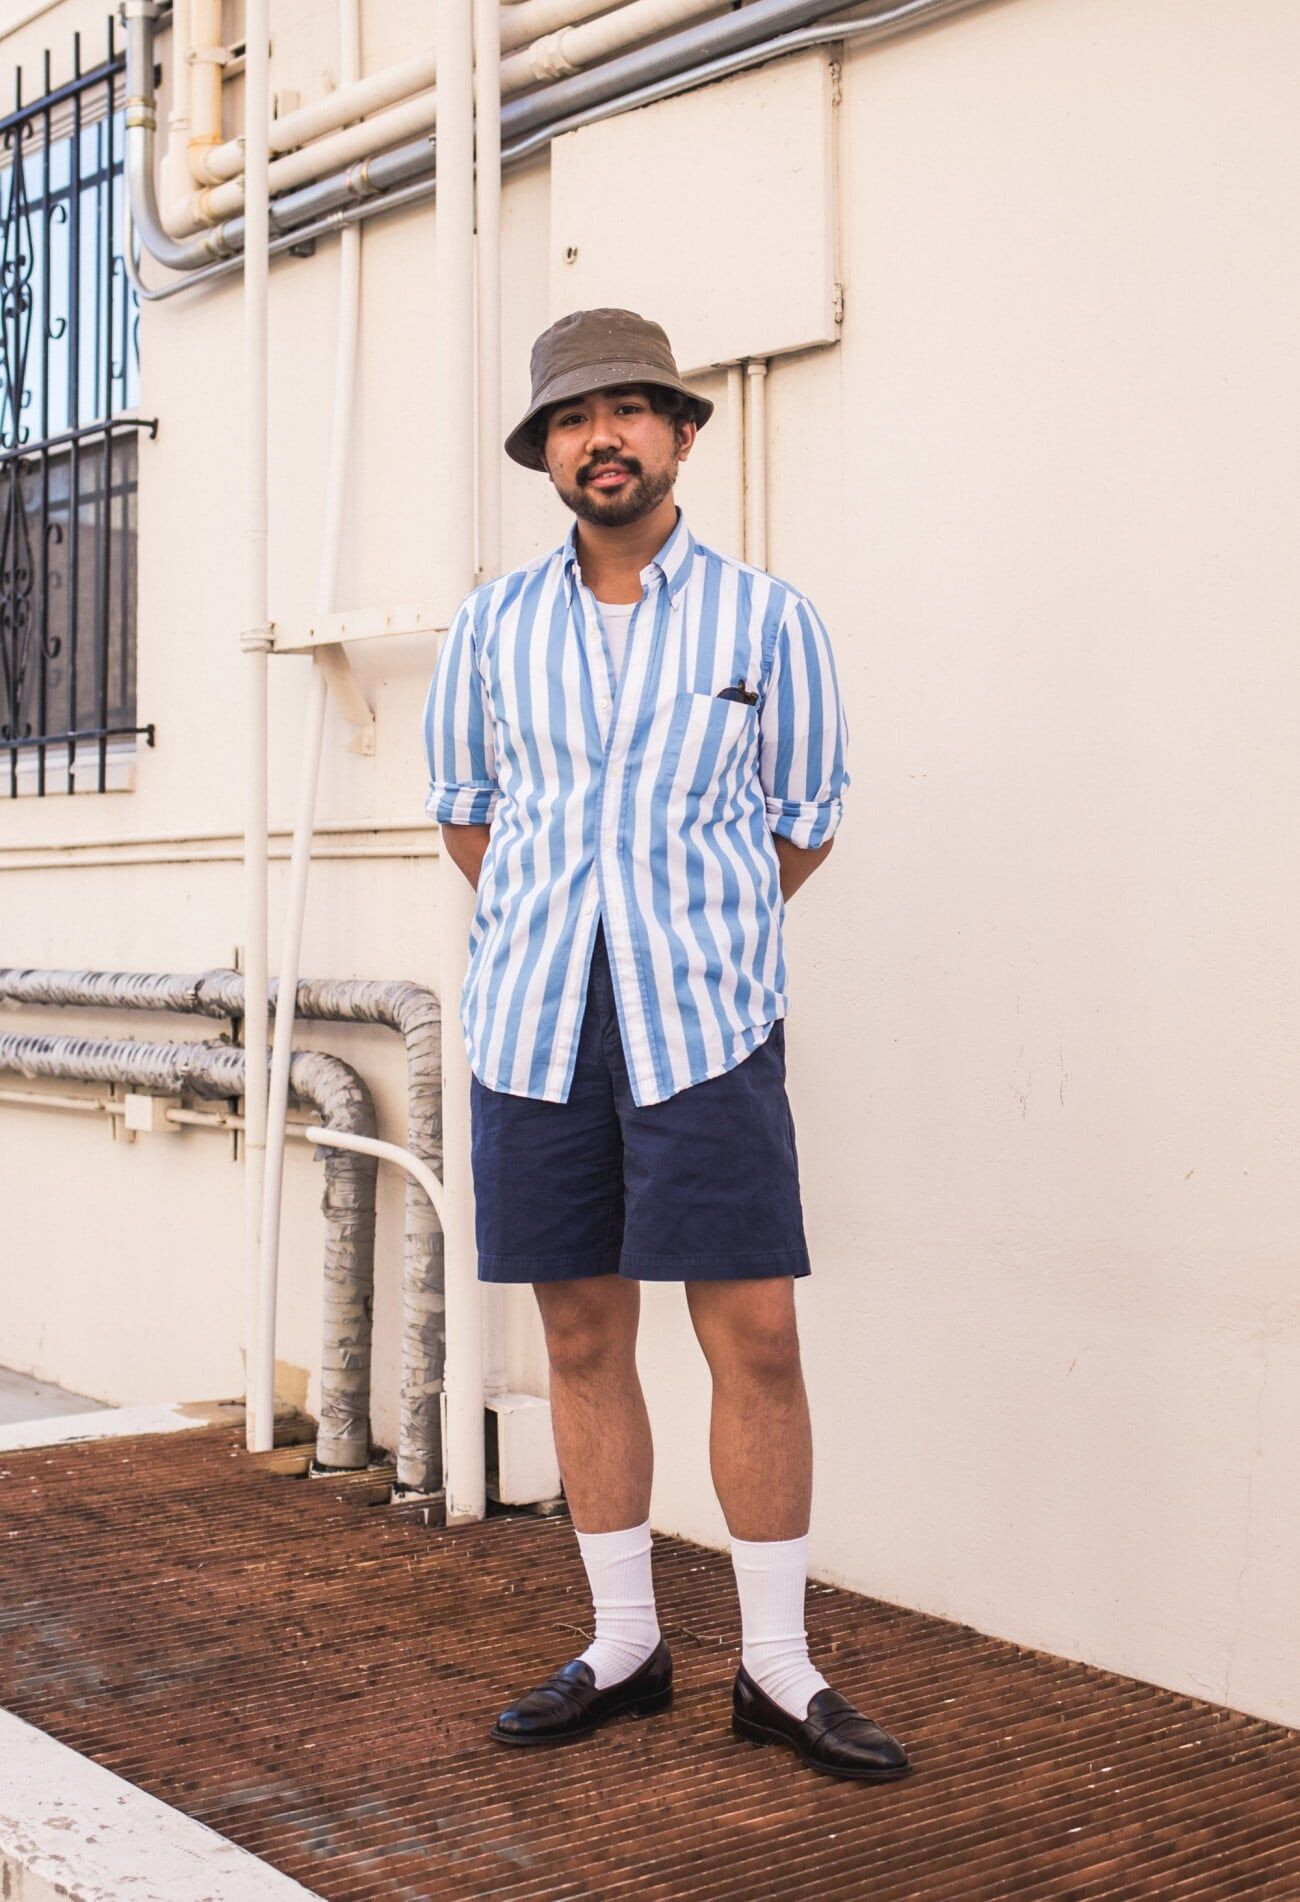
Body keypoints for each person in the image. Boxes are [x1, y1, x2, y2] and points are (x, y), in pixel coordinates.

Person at [422, 307, 910, 1783]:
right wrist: (565, 925)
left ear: (682, 434)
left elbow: (805, 815)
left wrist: (690, 928)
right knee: (579, 1330)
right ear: (548, 454)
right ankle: (625, 1641)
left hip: (705, 1019)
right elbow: (465, 808)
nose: (604, 438)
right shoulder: (492, 626)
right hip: (536, 1018)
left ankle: (774, 1666)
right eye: (575, 419)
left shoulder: (768, 620)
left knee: (754, 1330)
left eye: (632, 411)